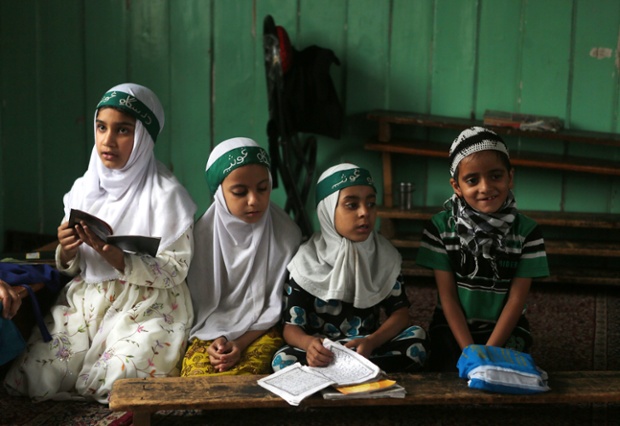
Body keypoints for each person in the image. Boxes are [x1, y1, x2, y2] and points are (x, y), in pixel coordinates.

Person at [4, 83, 197, 403]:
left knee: (120, 380)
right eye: (101, 127)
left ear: (144, 139)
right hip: (88, 300)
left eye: (123, 130)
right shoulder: (85, 187)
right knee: (37, 375)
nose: (108, 140)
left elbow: (176, 268)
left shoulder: (167, 196)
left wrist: (120, 259)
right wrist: (66, 248)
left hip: (147, 304)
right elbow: (72, 264)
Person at [271, 163, 428, 373]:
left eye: (371, 203)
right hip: (321, 350)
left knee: (417, 339)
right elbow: (291, 327)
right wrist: (309, 345)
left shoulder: (385, 255)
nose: (365, 212)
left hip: (367, 347)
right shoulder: (305, 260)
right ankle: (363, 372)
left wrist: (372, 341)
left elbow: (400, 314)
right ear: (327, 210)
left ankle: (341, 373)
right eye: (352, 205)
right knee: (282, 359)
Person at [416, 126, 549, 372]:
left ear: (510, 177)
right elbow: (448, 298)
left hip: (504, 327)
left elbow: (516, 300)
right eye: (472, 180)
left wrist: (487, 352)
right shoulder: (440, 228)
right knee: (442, 368)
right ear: (456, 186)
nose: (485, 188)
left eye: (495, 176)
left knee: (508, 372)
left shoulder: (528, 232)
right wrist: (470, 350)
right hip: (453, 326)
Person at [182, 137, 302, 376]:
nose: (254, 200)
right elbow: (202, 308)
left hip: (263, 330)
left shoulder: (286, 235)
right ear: (219, 193)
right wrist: (219, 340)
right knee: (195, 375)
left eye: (262, 188)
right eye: (239, 192)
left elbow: (276, 309)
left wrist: (241, 342)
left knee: (249, 374)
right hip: (210, 332)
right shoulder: (201, 238)